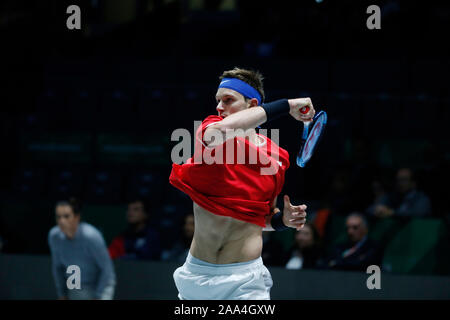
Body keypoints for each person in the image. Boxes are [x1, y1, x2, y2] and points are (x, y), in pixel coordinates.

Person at [169, 67, 315, 300]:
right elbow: (223, 130)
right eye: (217, 101)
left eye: (228, 100)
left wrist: (282, 221)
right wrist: (287, 105)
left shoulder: (276, 158)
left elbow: (262, 218)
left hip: (244, 281)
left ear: (253, 105)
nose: (219, 107)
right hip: (195, 275)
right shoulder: (210, 131)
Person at [48, 198, 116, 300]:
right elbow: (57, 268)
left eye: (66, 216)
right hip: (74, 289)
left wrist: (99, 296)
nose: (62, 221)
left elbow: (107, 272)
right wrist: (62, 294)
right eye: (58, 217)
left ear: (77, 217)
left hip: (99, 289)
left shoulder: (91, 236)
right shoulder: (54, 236)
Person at [366, 168, 432, 218]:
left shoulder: (422, 198)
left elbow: (417, 214)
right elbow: (370, 209)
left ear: (413, 183)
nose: (400, 183)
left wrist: (392, 213)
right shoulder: (392, 196)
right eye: (398, 180)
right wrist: (377, 210)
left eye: (404, 180)